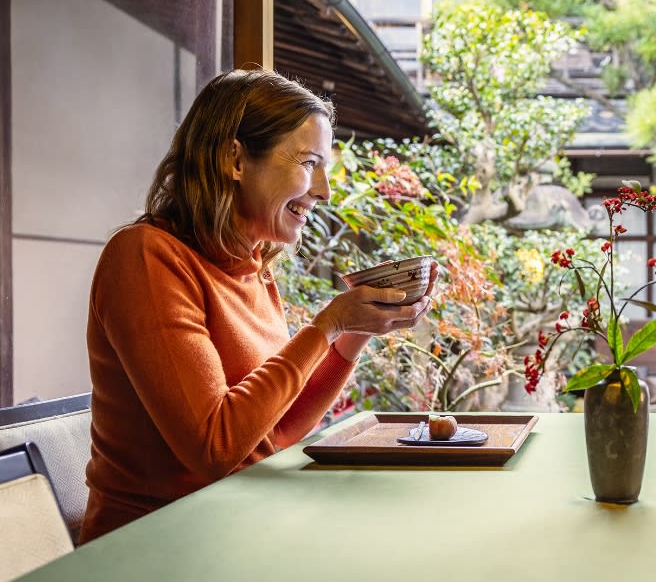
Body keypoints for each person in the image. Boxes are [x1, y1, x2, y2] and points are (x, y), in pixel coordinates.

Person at [79, 69, 437, 543]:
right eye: (309, 163)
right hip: (154, 545)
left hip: (237, 526)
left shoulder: (252, 267)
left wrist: (356, 329)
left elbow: (278, 432)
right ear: (234, 159)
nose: (325, 190)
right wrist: (326, 325)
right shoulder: (146, 257)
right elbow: (214, 446)